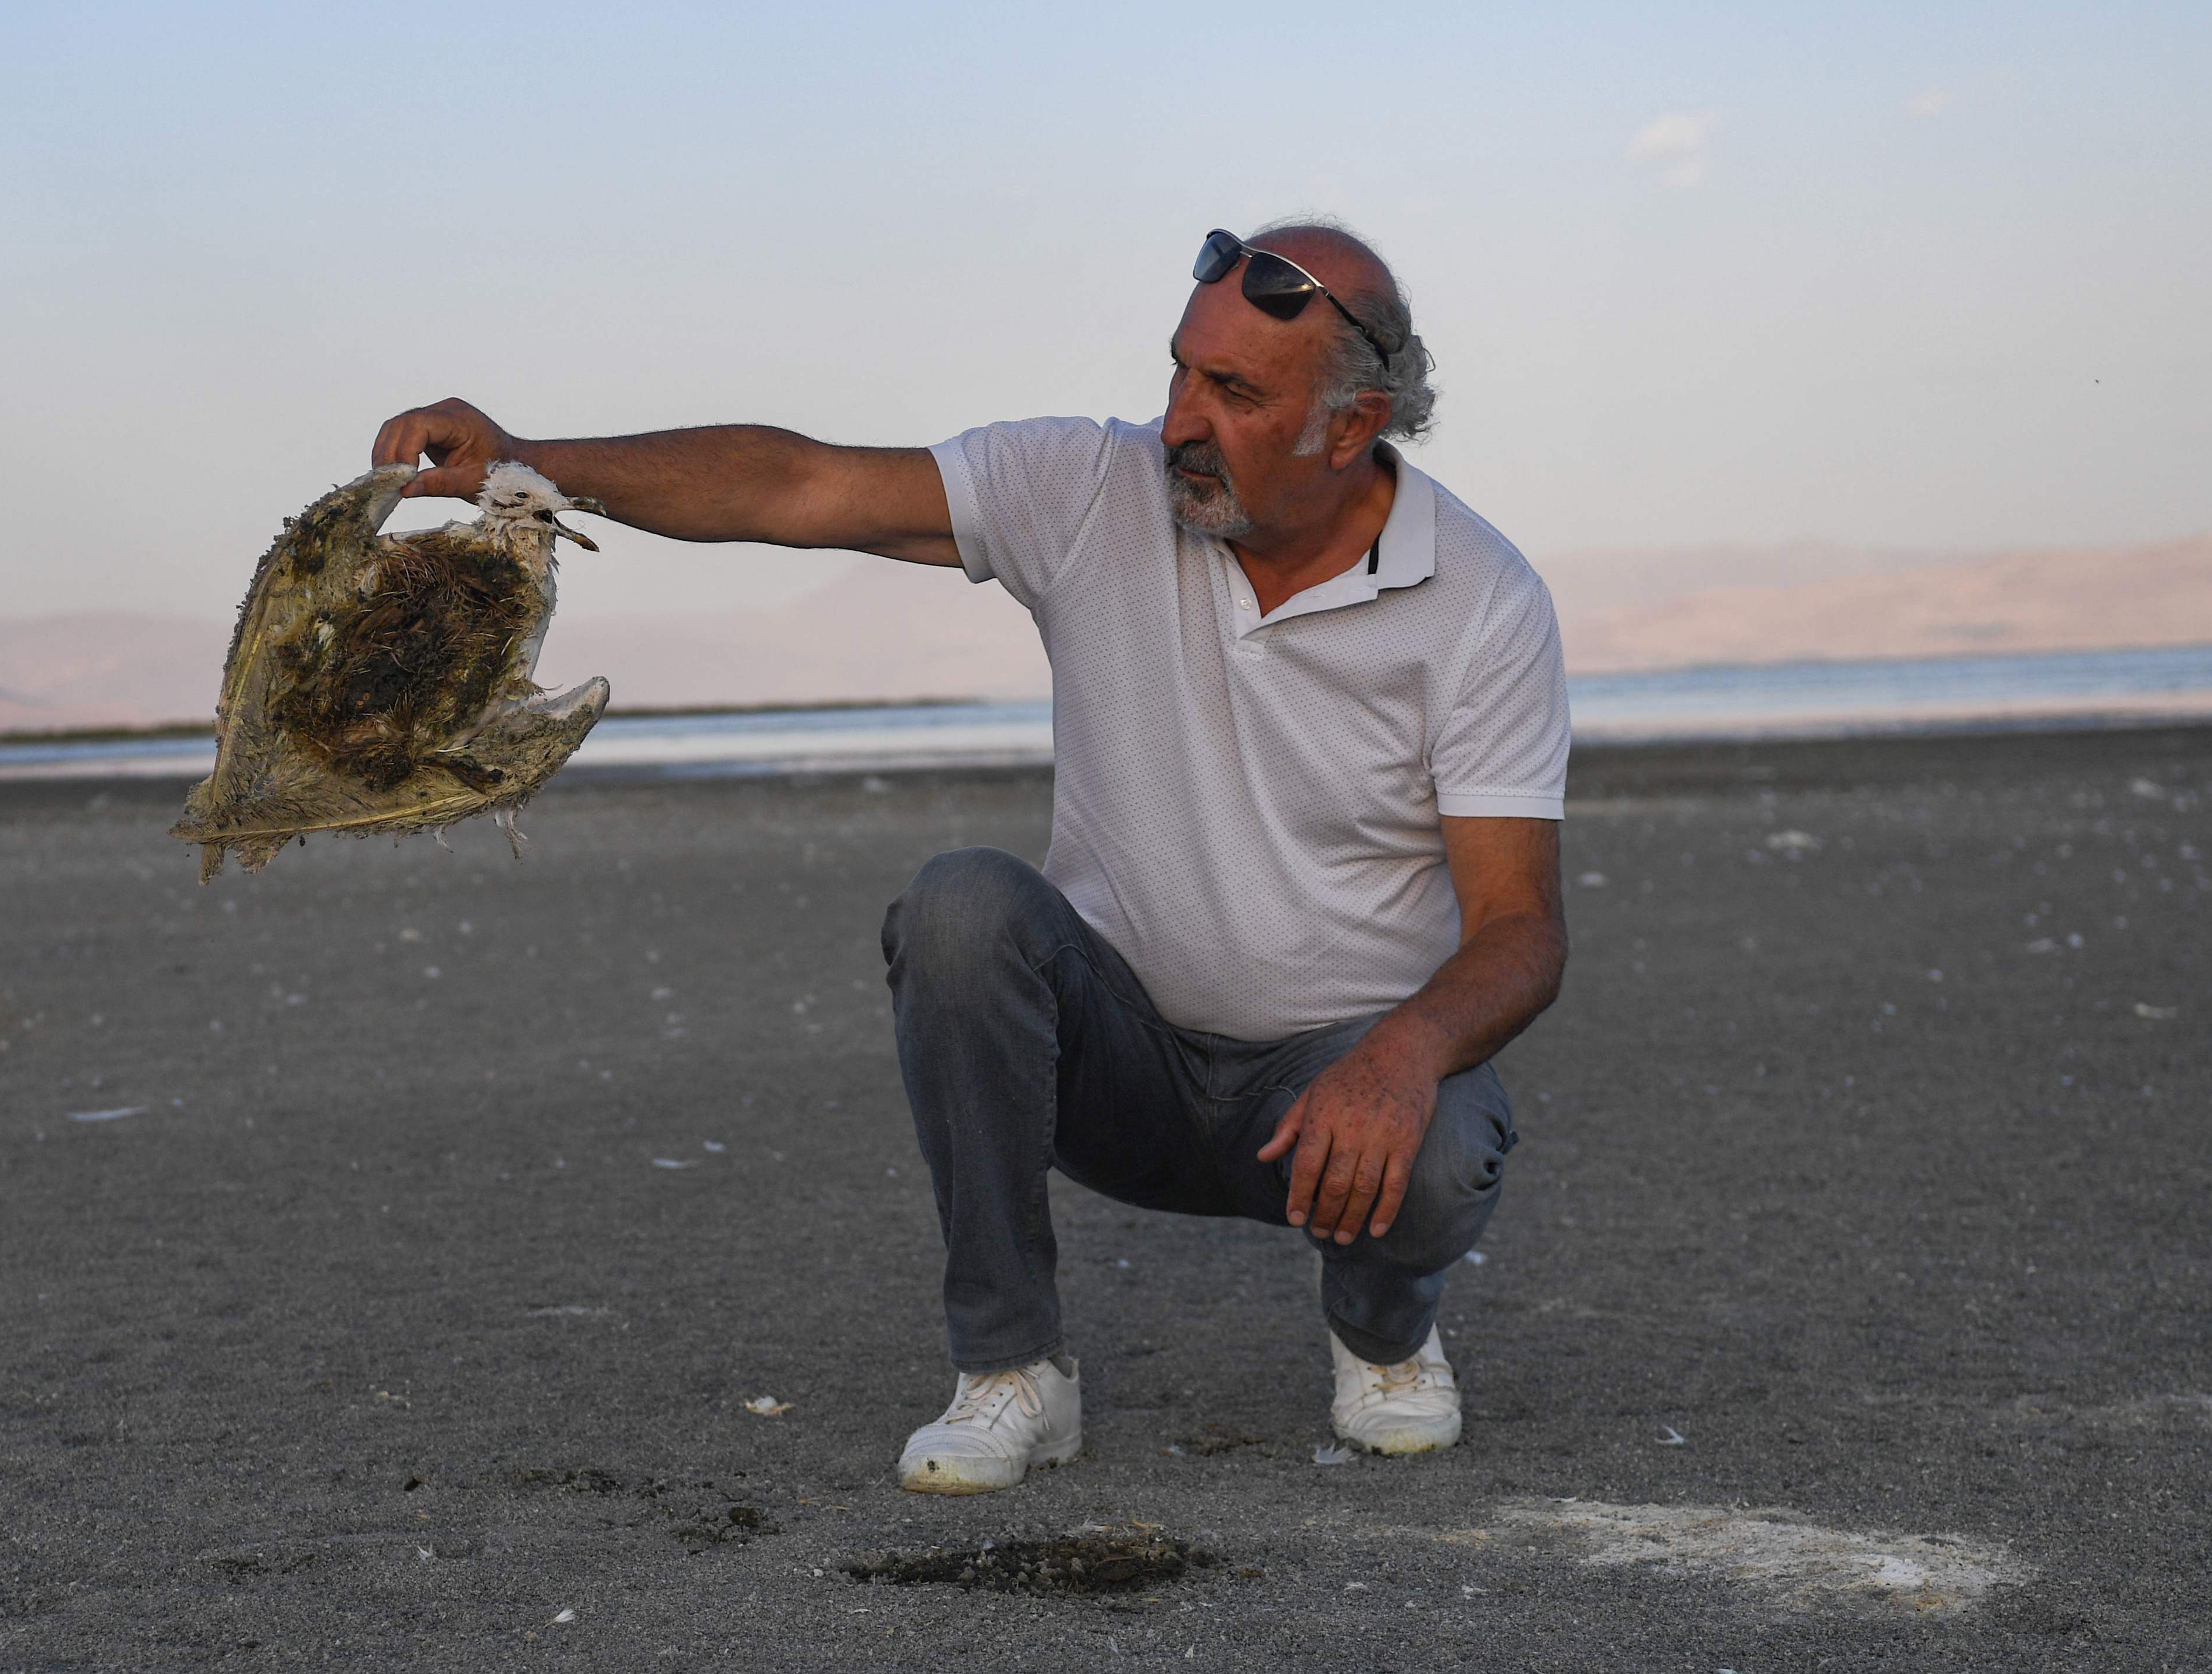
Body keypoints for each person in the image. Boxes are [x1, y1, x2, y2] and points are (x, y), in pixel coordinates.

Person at [369, 219, 1569, 1494]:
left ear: (1352, 422)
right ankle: (1012, 1375)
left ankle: (1380, 1340)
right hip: (1119, 1068)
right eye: (1178, 372)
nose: (1176, 422)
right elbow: (802, 486)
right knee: (960, 908)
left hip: (1330, 1102)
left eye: (1231, 393)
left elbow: (1519, 929)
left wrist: (1398, 1056)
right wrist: (525, 459)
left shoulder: (1480, 599)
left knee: (1446, 1128)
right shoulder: (1093, 491)